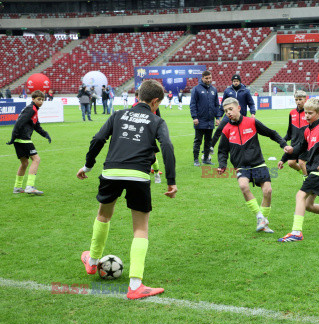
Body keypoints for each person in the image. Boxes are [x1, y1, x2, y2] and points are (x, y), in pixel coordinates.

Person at [76, 79, 177, 300]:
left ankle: (92, 262)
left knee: (103, 216)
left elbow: (98, 139)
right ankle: (135, 285)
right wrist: (170, 180)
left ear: (138, 95)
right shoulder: (157, 120)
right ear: (155, 101)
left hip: (111, 172)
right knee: (140, 228)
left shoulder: (118, 115)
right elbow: (167, 146)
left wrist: (88, 166)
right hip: (139, 175)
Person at [217, 97, 286, 234]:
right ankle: (260, 217)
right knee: (243, 186)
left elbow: (271, 133)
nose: (228, 112)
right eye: (226, 111)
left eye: (230, 109)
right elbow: (222, 151)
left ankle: (263, 222)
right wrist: (222, 165)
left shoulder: (251, 122)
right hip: (241, 166)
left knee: (268, 191)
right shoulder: (226, 129)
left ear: (239, 108)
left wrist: (283, 144)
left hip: (258, 163)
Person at [279, 98, 319, 242]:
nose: (306, 115)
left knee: (300, 196)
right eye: (305, 113)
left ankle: (296, 232)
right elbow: (299, 148)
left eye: (310, 113)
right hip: (314, 170)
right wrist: (284, 158)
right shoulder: (307, 130)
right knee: (308, 205)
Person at [6, 90, 52, 195]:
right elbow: (20, 122)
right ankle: (29, 187)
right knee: (36, 159)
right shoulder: (31, 109)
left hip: (19, 139)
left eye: (42, 99)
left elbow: (36, 126)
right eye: (38, 99)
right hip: (23, 139)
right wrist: (13, 137)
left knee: (25, 163)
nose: (41, 101)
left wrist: (45, 134)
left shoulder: (33, 109)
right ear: (33, 99)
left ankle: (17, 187)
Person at [210, 74, 256, 151]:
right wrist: (219, 117)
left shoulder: (245, 91)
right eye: (234, 81)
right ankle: (211, 147)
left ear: (240, 82)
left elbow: (251, 103)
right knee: (219, 129)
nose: (235, 83)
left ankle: (244, 149)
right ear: (232, 82)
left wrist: (253, 113)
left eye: (237, 81)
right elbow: (222, 105)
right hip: (228, 116)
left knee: (241, 133)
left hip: (240, 116)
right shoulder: (227, 91)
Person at [190, 70, 221, 166]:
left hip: (210, 121)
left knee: (208, 141)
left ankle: (206, 159)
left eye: (210, 78)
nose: (208, 80)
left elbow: (216, 105)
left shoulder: (214, 90)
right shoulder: (196, 89)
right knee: (198, 141)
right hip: (199, 120)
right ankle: (196, 160)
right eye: (206, 78)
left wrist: (218, 117)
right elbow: (193, 104)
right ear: (202, 78)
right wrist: (194, 117)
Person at [278, 90, 308, 177]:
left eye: (300, 99)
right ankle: (304, 173)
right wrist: (283, 140)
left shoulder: (308, 113)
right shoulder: (292, 113)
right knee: (291, 163)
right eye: (296, 99)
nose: (298, 101)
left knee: (302, 162)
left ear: (305, 100)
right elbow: (290, 132)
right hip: (294, 144)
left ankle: (307, 181)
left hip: (305, 144)